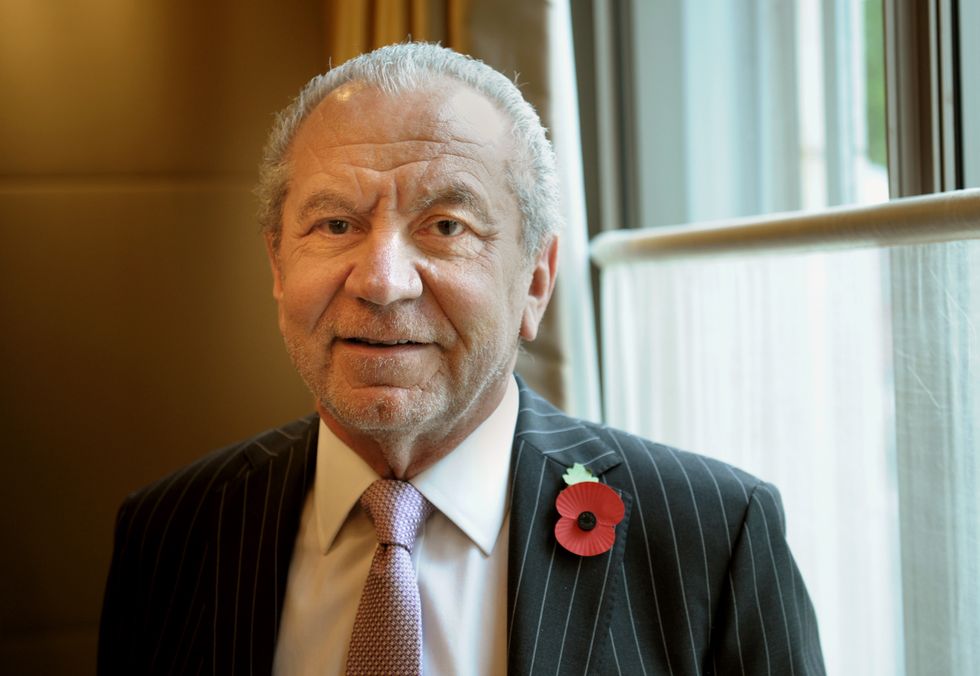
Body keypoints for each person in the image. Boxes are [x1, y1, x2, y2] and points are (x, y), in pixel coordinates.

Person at [98, 42, 825, 675]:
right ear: (278, 266)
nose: (382, 282)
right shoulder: (173, 531)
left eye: (446, 225)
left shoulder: (712, 534)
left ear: (536, 280)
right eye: (336, 223)